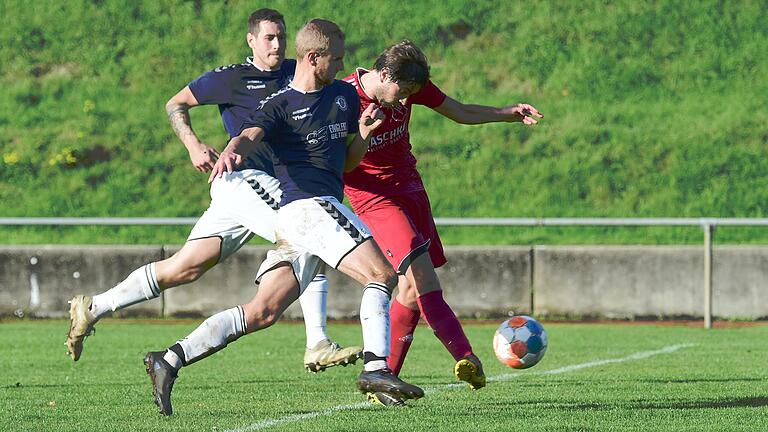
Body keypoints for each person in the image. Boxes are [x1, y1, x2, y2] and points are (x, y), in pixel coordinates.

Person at [142, 19, 424, 416]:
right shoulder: (279, 105)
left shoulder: (343, 96)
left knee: (262, 312)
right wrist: (232, 150)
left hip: (300, 221)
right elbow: (248, 135)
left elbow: (345, 164)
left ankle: (168, 359)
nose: (343, 65)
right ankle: (376, 368)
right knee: (382, 275)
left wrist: (361, 134)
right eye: (337, 58)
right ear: (314, 58)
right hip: (309, 208)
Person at [65, 8, 360, 373]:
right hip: (243, 181)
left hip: (258, 190)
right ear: (251, 40)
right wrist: (192, 143)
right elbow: (175, 103)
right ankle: (316, 342)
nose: (277, 44)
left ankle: (93, 307)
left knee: (184, 268)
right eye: (269, 37)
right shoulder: (231, 78)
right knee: (307, 231)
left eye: (282, 36)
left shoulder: (297, 72)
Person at [341, 40, 543, 405]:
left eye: (411, 95)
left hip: (410, 188)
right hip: (374, 199)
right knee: (424, 278)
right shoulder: (343, 99)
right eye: (402, 91)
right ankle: (466, 357)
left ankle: (385, 381)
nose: (405, 100)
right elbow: (341, 165)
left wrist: (506, 112)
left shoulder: (407, 88)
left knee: (409, 294)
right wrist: (365, 133)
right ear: (384, 74)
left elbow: (459, 110)